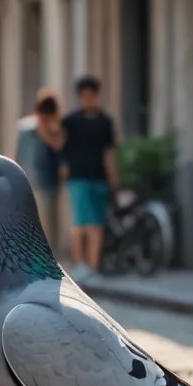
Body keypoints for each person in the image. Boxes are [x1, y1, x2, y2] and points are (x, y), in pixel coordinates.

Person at [40, 75, 118, 282]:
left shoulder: (105, 122)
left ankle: (93, 267)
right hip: (77, 178)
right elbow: (56, 141)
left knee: (97, 224)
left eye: (91, 96)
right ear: (79, 97)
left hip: (99, 177)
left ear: (97, 96)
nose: (88, 100)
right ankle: (79, 265)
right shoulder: (71, 121)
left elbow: (109, 152)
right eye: (84, 96)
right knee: (81, 224)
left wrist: (113, 178)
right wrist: (44, 121)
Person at [14, 88, 62, 252]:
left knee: (49, 221)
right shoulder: (26, 128)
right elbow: (19, 155)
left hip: (48, 180)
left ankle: (48, 255)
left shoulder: (56, 129)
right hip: (32, 180)